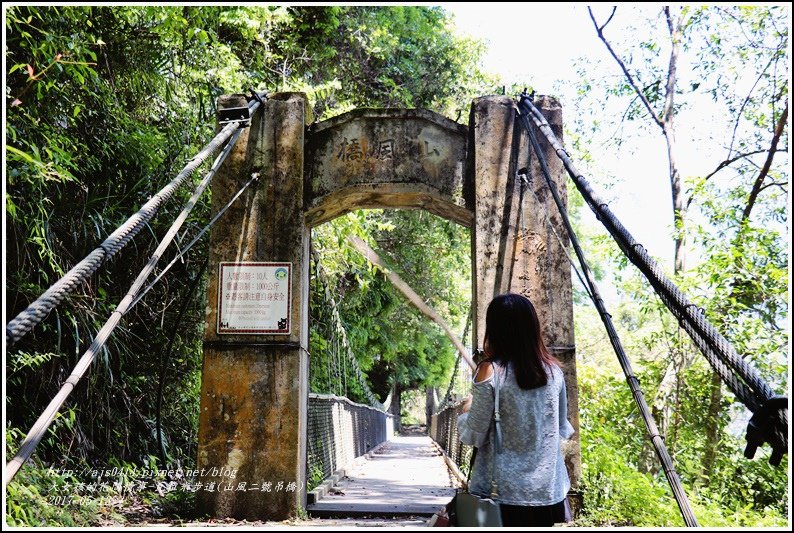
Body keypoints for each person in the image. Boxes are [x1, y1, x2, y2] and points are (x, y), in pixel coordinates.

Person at [457, 293, 575, 527]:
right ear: (532, 328)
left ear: (494, 330)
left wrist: (465, 410)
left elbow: (474, 434)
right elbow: (560, 427)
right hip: (546, 491)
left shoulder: (490, 371)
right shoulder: (554, 373)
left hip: (501, 492)